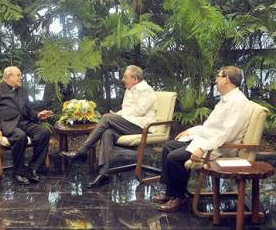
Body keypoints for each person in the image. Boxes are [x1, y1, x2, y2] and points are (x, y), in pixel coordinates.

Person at [154, 66, 254, 212]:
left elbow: (226, 134)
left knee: (174, 157)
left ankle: (179, 198)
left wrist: (202, 148)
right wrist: (190, 131)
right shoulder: (226, 99)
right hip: (210, 139)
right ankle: (171, 193)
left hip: (220, 147)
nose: (216, 79)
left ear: (226, 79)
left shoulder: (237, 102)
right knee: (168, 146)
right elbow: (210, 126)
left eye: (219, 76)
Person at [61, 65, 157, 188]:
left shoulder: (146, 90)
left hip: (142, 127)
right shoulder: (129, 89)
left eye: (125, 77)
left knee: (106, 118)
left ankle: (81, 152)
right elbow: (127, 110)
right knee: (107, 133)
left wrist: (117, 117)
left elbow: (140, 111)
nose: (123, 79)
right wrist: (117, 115)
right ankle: (104, 174)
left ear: (135, 79)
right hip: (130, 123)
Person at [0, 66, 53, 185]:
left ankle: (32, 168)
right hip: (7, 125)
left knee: (44, 132)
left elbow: (28, 110)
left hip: (24, 123)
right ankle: (18, 172)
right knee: (20, 136)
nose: (21, 78)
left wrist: (38, 116)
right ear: (9, 76)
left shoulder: (22, 91)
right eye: (19, 75)